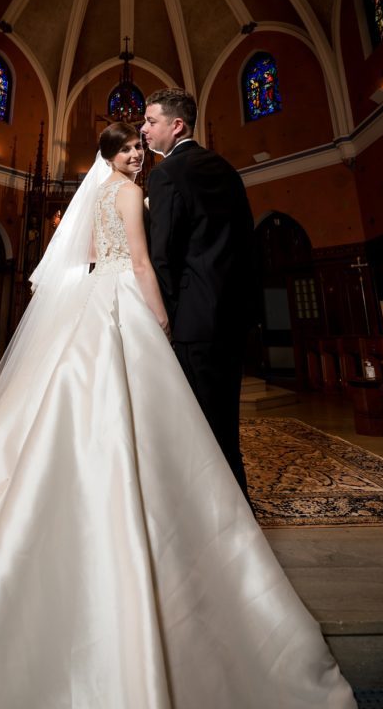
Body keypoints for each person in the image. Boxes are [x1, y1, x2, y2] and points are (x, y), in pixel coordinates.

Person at [0, 122, 356, 709]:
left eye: (140, 146)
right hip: (125, 307)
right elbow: (138, 261)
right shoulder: (132, 193)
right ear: (112, 155)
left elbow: (85, 256)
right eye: (130, 149)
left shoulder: (98, 194)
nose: (138, 155)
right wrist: (160, 318)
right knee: (128, 415)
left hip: (91, 303)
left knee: (86, 408)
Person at [142, 89, 254, 498]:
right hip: (232, 315)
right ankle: (237, 508)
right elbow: (245, 243)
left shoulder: (167, 173)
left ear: (177, 125)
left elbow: (163, 255)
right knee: (225, 420)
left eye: (151, 121)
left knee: (195, 426)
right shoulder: (226, 169)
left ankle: (213, 517)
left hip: (192, 321)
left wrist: (165, 313)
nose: (143, 129)